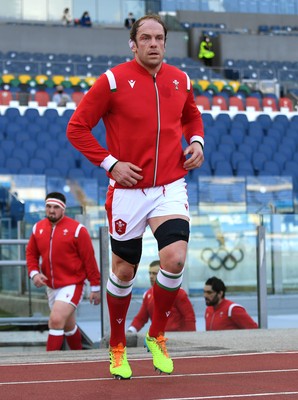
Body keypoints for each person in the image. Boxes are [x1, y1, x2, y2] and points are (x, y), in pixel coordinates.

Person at [67, 14, 204, 379]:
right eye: (146, 38)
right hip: (127, 191)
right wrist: (110, 164)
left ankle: (157, 335)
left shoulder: (181, 79)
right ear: (133, 43)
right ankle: (116, 345)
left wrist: (197, 140)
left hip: (170, 187)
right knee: (124, 271)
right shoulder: (112, 81)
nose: (154, 43)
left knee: (174, 260)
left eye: (159, 38)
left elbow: (192, 116)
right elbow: (76, 127)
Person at [26, 192, 101, 351]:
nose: (51, 210)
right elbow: (31, 254)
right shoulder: (37, 228)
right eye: (48, 206)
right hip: (51, 286)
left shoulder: (77, 230)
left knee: (55, 320)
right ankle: (78, 359)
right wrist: (34, 273)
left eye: (55, 207)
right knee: (68, 326)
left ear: (63, 209)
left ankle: (48, 366)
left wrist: (95, 287)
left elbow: (89, 259)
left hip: (72, 284)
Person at [128, 260, 196, 333]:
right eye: (150, 273)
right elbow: (140, 318)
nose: (151, 276)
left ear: (162, 275)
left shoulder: (178, 293)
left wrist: (190, 337)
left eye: (154, 274)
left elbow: (189, 317)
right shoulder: (148, 295)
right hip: (158, 337)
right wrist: (130, 331)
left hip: (177, 337)